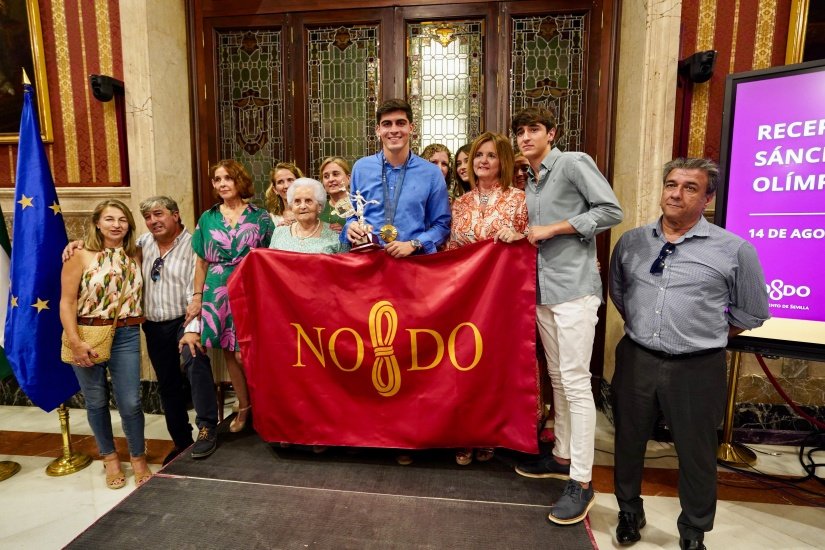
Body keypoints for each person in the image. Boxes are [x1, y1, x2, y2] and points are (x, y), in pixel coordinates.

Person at [609, 158, 770, 550]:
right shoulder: (632, 241)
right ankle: (629, 510)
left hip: (698, 367)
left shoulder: (734, 250)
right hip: (637, 358)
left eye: (690, 187)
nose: (676, 193)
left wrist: (705, 333)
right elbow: (619, 291)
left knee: (696, 454)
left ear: (708, 197)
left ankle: (693, 531)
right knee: (628, 441)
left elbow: (752, 311)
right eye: (670, 184)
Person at [512, 106, 623, 525]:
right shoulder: (530, 179)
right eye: (520, 132)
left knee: (576, 382)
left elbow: (611, 211)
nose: (526, 137)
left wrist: (555, 228)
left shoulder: (573, 162)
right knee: (558, 376)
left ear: (551, 133)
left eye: (533, 130)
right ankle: (561, 454)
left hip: (575, 290)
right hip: (544, 290)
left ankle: (582, 481)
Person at [64, 197, 220, 463]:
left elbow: (202, 286)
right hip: (153, 326)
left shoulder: (195, 244)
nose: (153, 221)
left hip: (186, 323)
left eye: (158, 215)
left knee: (196, 369)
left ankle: (207, 429)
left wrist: (193, 326)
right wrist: (76, 243)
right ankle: (182, 441)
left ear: (176, 215)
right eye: (147, 217)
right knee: (168, 385)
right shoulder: (141, 246)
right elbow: (104, 253)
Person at [446, 131, 528, 464]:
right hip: (465, 297)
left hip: (502, 299)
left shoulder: (518, 199)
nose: (482, 161)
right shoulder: (459, 203)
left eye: (491, 155)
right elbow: (452, 248)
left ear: (503, 161)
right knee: (464, 367)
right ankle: (465, 433)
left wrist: (519, 235)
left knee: (493, 366)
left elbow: (528, 248)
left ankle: (491, 433)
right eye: (479, 155)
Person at [59, 199, 151, 489]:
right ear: (97, 223)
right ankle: (110, 458)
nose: (116, 225)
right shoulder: (80, 255)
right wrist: (74, 341)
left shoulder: (136, 253)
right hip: (87, 334)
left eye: (122, 220)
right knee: (96, 400)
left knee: (131, 402)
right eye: (109, 219)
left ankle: (138, 457)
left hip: (126, 334)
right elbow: (67, 301)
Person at [186, 160, 274, 433]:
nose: (222, 183)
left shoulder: (260, 217)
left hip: (251, 286)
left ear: (240, 181)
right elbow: (201, 263)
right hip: (217, 288)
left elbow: (272, 256)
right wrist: (197, 297)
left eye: (228, 178)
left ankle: (267, 407)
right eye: (217, 179)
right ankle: (244, 408)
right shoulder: (207, 218)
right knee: (228, 350)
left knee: (245, 352)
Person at [343, 98, 451, 258]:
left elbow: (442, 225)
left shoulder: (431, 173)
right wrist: (350, 227)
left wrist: (414, 244)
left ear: (411, 127)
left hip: (413, 264)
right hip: (369, 264)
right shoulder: (361, 168)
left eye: (400, 123)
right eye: (387, 124)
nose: (394, 130)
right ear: (378, 130)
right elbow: (352, 214)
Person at [269, 178, 348, 254]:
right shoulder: (279, 232)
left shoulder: (336, 235)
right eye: (297, 201)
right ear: (291, 207)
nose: (303, 206)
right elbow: (269, 263)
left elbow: (344, 265)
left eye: (308, 201)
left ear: (319, 206)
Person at [318, 157, 354, 234]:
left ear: (348, 178)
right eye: (326, 176)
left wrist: (345, 232)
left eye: (335, 174)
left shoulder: (359, 205)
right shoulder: (318, 208)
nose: (331, 179)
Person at [265, 162, 304, 226]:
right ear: (275, 190)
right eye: (280, 182)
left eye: (290, 180)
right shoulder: (271, 219)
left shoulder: (312, 212)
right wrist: (279, 231)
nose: (286, 186)